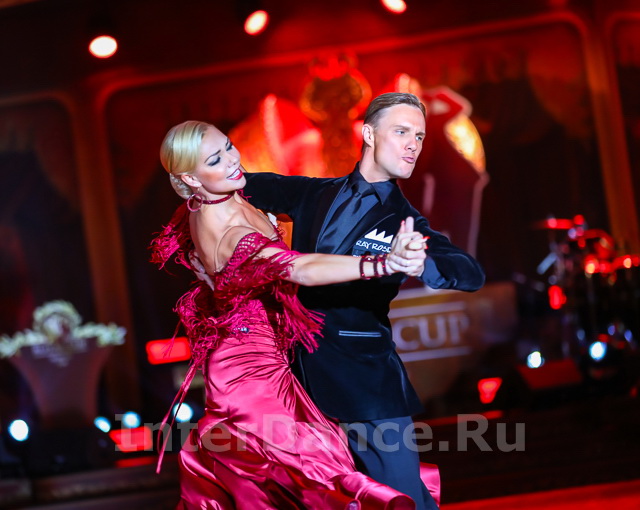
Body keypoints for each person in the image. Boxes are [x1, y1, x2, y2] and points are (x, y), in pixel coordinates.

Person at [151, 119, 431, 509]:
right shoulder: (229, 232)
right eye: (215, 160)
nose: (232, 160)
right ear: (190, 179)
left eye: (228, 146)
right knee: (318, 477)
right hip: (252, 376)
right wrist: (381, 264)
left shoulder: (213, 198)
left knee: (314, 481)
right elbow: (300, 269)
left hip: (267, 357)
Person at [242, 92, 486, 510]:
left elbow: (469, 272)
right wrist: (198, 172)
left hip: (368, 386)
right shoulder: (314, 193)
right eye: (402, 132)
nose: (413, 144)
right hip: (300, 386)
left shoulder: (405, 223)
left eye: (420, 136)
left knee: (402, 500)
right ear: (369, 134)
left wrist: (420, 261)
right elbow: (245, 184)